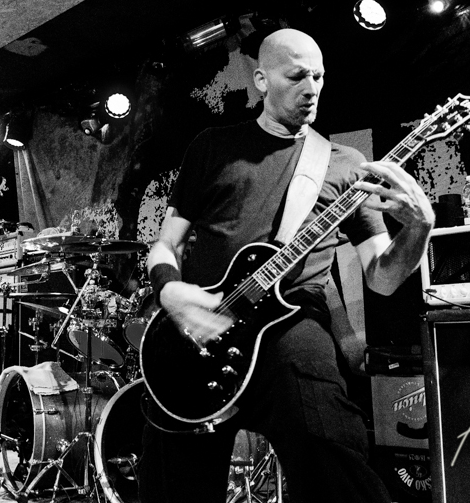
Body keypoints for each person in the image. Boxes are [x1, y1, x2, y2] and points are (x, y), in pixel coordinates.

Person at [139, 29, 435, 502]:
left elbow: (382, 278)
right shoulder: (213, 147)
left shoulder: (347, 165)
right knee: (172, 476)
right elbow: (165, 245)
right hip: (199, 328)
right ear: (261, 80)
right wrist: (169, 290)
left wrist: (419, 228)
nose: (311, 88)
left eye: (319, 76)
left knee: (329, 445)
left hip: (292, 324)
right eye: (297, 76)